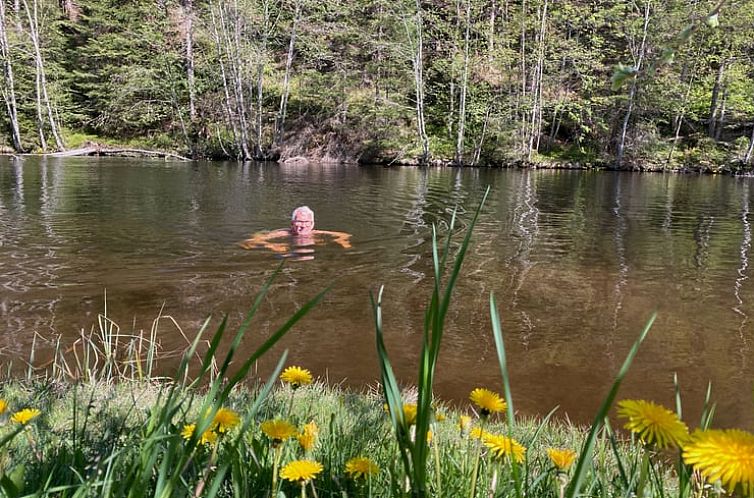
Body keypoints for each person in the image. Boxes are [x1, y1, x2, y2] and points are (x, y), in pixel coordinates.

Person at [240, 206, 352, 255]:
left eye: (306, 222)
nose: (303, 226)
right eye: (299, 222)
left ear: (312, 224)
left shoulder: (315, 233)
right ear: (292, 223)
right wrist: (270, 245)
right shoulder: (284, 233)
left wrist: (343, 241)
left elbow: (344, 235)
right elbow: (250, 241)